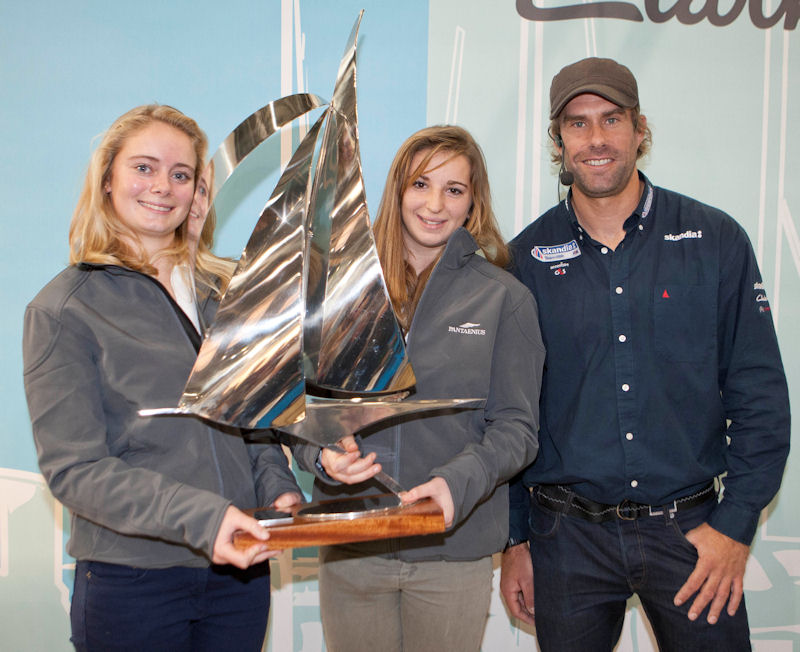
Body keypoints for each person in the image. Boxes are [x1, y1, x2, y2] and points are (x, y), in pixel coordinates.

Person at [500, 57, 790, 651]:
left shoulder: (714, 241)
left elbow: (760, 395)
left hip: (692, 535)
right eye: (577, 125)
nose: (596, 138)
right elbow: (508, 416)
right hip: (565, 541)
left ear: (640, 128)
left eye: (612, 119)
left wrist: (734, 527)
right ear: (558, 141)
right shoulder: (523, 262)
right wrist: (516, 541)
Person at [22, 104, 303, 651]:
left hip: (237, 573)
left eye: (181, 174)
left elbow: (250, 425)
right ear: (108, 180)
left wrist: (277, 490)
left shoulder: (221, 297)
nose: (163, 187)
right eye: (144, 168)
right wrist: (206, 517)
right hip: (135, 581)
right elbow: (76, 469)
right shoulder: (64, 309)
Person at [291, 125, 544, 652]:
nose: (434, 204)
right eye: (420, 184)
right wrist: (320, 458)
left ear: (473, 203)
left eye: (454, 189)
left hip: (453, 548)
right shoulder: (340, 289)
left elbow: (517, 429)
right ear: (398, 192)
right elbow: (293, 405)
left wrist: (457, 483)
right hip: (353, 542)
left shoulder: (505, 298)